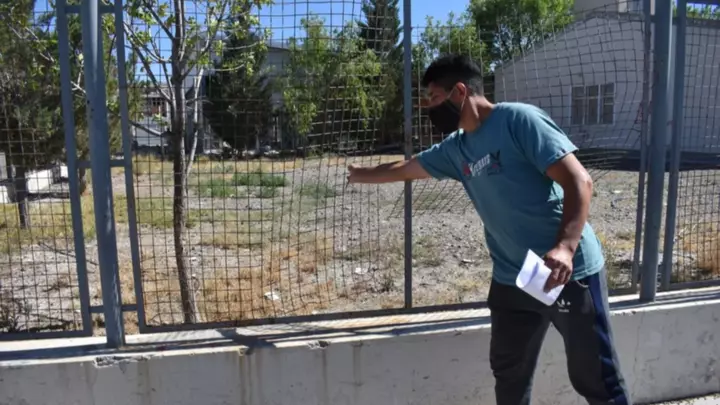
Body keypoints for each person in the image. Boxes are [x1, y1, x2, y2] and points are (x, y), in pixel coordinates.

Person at [346, 54, 631, 405]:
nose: (429, 107)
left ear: (460, 91)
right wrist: (357, 174)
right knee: (509, 375)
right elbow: (405, 168)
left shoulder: (519, 121)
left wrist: (565, 248)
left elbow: (579, 181)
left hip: (567, 272)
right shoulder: (456, 148)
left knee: (596, 377)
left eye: (434, 97)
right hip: (514, 277)